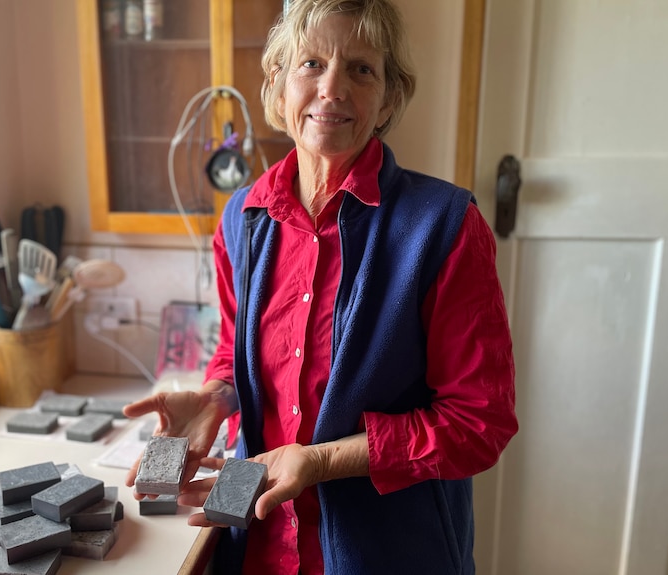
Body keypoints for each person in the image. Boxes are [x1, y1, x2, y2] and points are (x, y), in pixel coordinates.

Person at [123, 0, 518, 572]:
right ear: (278, 85)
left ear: (388, 97)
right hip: (253, 534)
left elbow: (479, 422)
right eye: (311, 63)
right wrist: (214, 399)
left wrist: (322, 461)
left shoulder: (446, 226)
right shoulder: (242, 219)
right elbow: (239, 358)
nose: (332, 88)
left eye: (361, 68)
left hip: (390, 553)